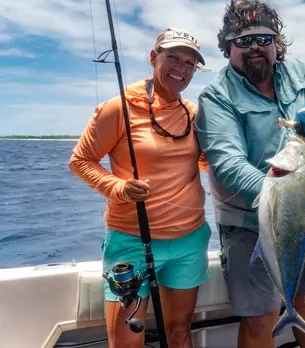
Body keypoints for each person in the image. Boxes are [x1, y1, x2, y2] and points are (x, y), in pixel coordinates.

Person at [194, 0, 305, 348]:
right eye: (243, 41)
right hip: (249, 225)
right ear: (227, 48)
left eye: (264, 39)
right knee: (261, 315)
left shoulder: (296, 71)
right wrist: (286, 195)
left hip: (304, 214)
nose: (255, 47)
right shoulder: (216, 96)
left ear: (277, 44)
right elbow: (229, 166)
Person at [69, 27, 211, 348]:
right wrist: (118, 187)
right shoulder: (118, 108)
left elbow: (207, 164)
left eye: (189, 63)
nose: (180, 68)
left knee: (179, 334)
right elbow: (81, 161)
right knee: (125, 343)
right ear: (153, 58)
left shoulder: (194, 114)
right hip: (131, 241)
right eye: (172, 57)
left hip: (189, 241)